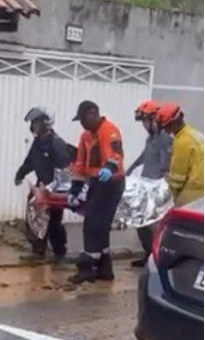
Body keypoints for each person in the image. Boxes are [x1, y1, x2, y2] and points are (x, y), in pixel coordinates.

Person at [67, 100, 125, 283]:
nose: (82, 123)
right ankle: (104, 268)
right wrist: (74, 189)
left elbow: (116, 155)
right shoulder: (86, 136)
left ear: (93, 114)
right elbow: (80, 165)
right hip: (96, 182)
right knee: (100, 225)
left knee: (93, 224)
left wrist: (109, 167)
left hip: (111, 183)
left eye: (83, 119)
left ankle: (88, 268)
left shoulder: (109, 130)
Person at [13, 107, 72, 262]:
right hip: (41, 185)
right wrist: (20, 174)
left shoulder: (57, 144)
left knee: (53, 222)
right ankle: (37, 251)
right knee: (35, 217)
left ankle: (60, 252)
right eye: (33, 122)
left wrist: (51, 189)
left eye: (36, 122)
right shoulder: (38, 142)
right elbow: (30, 161)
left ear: (45, 123)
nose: (33, 125)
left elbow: (64, 172)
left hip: (55, 188)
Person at [128, 100, 172, 268]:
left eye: (146, 121)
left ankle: (157, 257)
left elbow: (165, 165)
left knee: (155, 226)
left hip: (156, 187)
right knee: (141, 222)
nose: (144, 125)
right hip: (145, 186)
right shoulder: (151, 139)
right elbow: (143, 158)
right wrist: (128, 172)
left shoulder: (164, 140)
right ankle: (148, 254)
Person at [155, 103, 204, 206]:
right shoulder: (194, 134)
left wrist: (167, 200)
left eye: (165, 127)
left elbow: (177, 180)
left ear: (172, 124)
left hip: (193, 192)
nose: (165, 130)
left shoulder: (182, 142)